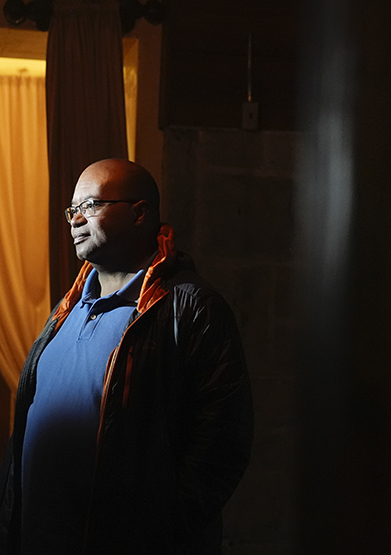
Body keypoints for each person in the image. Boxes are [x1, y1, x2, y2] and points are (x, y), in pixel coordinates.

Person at [0, 159, 253, 554]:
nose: (75, 221)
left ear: (139, 213)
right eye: (72, 210)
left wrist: (159, 530)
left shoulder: (188, 307)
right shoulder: (67, 309)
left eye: (91, 206)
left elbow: (222, 443)